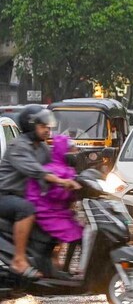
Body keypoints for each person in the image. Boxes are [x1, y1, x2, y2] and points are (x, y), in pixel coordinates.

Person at [0, 106, 79, 280]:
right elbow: (37, 171)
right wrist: (61, 181)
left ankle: (50, 260)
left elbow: (55, 163)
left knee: (60, 213)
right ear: (31, 125)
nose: (47, 129)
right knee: (26, 209)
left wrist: (73, 160)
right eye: (43, 126)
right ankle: (19, 260)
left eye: (48, 126)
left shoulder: (42, 148)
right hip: (5, 196)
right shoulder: (18, 146)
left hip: (22, 196)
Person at [25, 134, 83, 271]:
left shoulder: (67, 170)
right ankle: (65, 270)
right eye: (71, 149)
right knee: (76, 234)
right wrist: (69, 188)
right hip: (46, 212)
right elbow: (54, 194)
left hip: (59, 212)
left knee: (80, 232)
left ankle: (64, 268)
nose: (75, 153)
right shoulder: (53, 170)